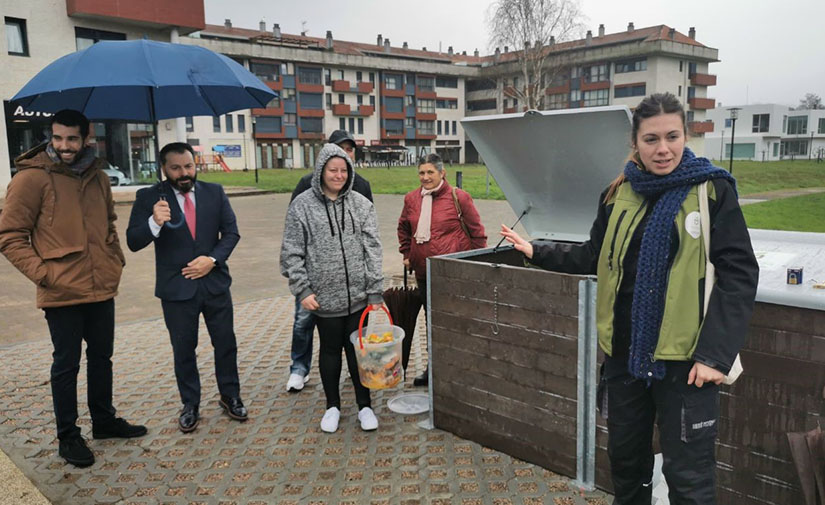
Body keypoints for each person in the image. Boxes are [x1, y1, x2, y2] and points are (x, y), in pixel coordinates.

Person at [499, 93, 759, 505]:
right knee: (626, 467)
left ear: (685, 135)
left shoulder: (712, 191)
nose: (663, 149)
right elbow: (593, 255)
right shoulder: (618, 193)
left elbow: (740, 274)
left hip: (687, 364)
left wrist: (714, 356)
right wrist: (537, 250)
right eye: (651, 139)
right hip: (624, 359)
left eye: (672, 136)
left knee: (689, 480)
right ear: (635, 142)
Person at [0, 110, 146, 467]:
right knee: (66, 365)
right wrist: (44, 274)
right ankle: (68, 436)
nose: (64, 146)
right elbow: (9, 235)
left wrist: (114, 259)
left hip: (101, 287)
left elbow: (109, 223)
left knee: (102, 359)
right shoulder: (30, 179)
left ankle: (104, 421)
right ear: (51, 136)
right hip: (61, 291)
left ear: (87, 138)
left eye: (72, 139)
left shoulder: (98, 177)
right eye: (58, 138)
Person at [126, 142, 246, 433]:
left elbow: (231, 233)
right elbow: (133, 241)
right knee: (183, 349)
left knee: (226, 344)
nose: (184, 173)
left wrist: (212, 259)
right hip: (176, 289)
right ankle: (190, 404)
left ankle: (230, 396)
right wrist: (154, 222)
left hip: (214, 284)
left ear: (195, 165)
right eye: (176, 168)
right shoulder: (150, 197)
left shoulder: (214, 192)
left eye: (189, 166)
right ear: (164, 169)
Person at [280, 143, 383, 433]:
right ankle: (332, 407)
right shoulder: (302, 206)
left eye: (343, 170)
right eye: (332, 170)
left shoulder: (362, 205)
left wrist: (375, 289)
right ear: (321, 171)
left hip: (359, 297)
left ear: (350, 172)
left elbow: (372, 249)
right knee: (329, 352)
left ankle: (365, 406)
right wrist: (302, 290)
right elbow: (291, 252)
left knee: (357, 353)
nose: (338, 175)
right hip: (323, 300)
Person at [397, 153, 487, 386]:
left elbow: (477, 233)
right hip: (424, 273)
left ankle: (463, 369)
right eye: (421, 173)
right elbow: (403, 228)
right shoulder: (411, 199)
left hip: (454, 274)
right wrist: (407, 254)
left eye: (430, 173)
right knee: (432, 321)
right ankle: (434, 368)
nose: (425, 177)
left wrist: (475, 267)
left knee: (457, 320)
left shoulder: (460, 197)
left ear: (442, 173)